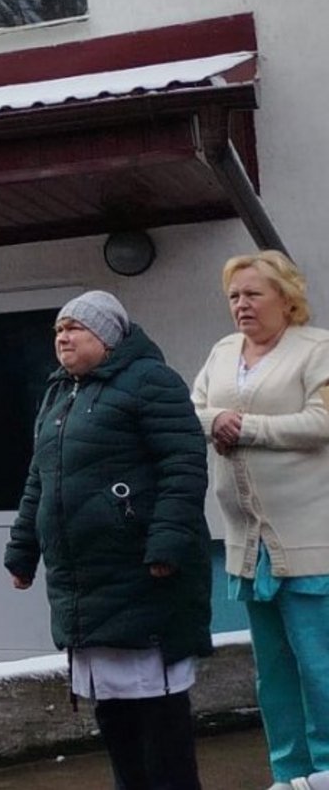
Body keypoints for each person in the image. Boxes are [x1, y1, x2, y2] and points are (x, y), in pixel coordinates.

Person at [6, 290, 211, 790]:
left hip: (142, 577)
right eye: (58, 330)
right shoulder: (57, 395)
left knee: (158, 722)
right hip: (85, 585)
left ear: (110, 336)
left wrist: (165, 544)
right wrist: (22, 550)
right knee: (117, 720)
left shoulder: (151, 384)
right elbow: (41, 479)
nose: (63, 338)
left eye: (76, 328)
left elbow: (182, 468)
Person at [191, 251, 329, 790]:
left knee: (319, 666)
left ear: (286, 298)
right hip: (248, 543)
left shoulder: (317, 348)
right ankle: (287, 772)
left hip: (309, 538)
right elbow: (191, 409)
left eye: (253, 294)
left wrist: (245, 428)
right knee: (272, 671)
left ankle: (325, 772)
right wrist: (216, 420)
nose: (241, 305)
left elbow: (322, 421)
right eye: (234, 296)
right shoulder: (223, 351)